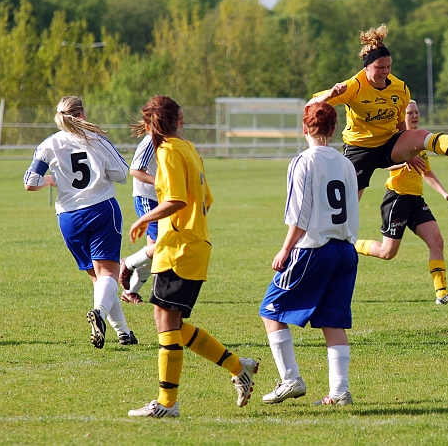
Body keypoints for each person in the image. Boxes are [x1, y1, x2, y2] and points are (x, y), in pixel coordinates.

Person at [127, 95, 258, 418]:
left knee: (167, 323)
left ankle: (167, 403)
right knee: (167, 321)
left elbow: (176, 200)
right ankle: (237, 365)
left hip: (180, 247)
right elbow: (206, 201)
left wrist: (145, 219)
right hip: (188, 242)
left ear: (149, 124)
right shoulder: (188, 149)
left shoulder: (169, 150)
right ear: (179, 118)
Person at [308, 23, 448, 200]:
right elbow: (311, 105)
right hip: (359, 148)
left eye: (388, 67)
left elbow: (399, 124)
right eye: (380, 67)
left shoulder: (400, 88)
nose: (385, 72)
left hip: (389, 143)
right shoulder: (353, 86)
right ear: (366, 67)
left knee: (421, 136)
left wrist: (407, 150)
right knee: (349, 204)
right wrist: (330, 95)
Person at [260, 101, 360, 407]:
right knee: (333, 322)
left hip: (314, 249)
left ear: (305, 128)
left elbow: (299, 214)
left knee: (270, 310)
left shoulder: (302, 162)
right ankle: (339, 393)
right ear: (332, 129)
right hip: (345, 250)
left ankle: (290, 378)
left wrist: (285, 249)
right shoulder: (345, 163)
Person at [23, 96, 137, 348]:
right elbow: (121, 174)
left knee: (99, 278)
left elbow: (30, 182)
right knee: (108, 273)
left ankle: (124, 333)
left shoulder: (48, 145)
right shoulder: (96, 139)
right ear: (82, 114)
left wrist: (52, 180)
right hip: (101, 209)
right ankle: (99, 313)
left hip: (68, 217)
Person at [354, 100, 448, 305]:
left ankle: (442, 294)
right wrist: (401, 160)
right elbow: (379, 163)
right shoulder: (395, 141)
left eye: (416, 112)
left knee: (437, 241)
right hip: (396, 199)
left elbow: (426, 170)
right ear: (401, 117)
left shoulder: (419, 140)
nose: (414, 116)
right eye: (409, 113)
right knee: (388, 252)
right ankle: (352, 246)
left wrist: (444, 193)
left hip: (416, 200)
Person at [119, 131, 157, 303]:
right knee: (161, 246)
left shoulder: (172, 139)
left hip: (163, 199)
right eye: (178, 118)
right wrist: (161, 181)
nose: (182, 122)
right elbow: (135, 169)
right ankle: (127, 263)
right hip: (148, 199)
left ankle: (130, 292)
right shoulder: (151, 140)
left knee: (156, 252)